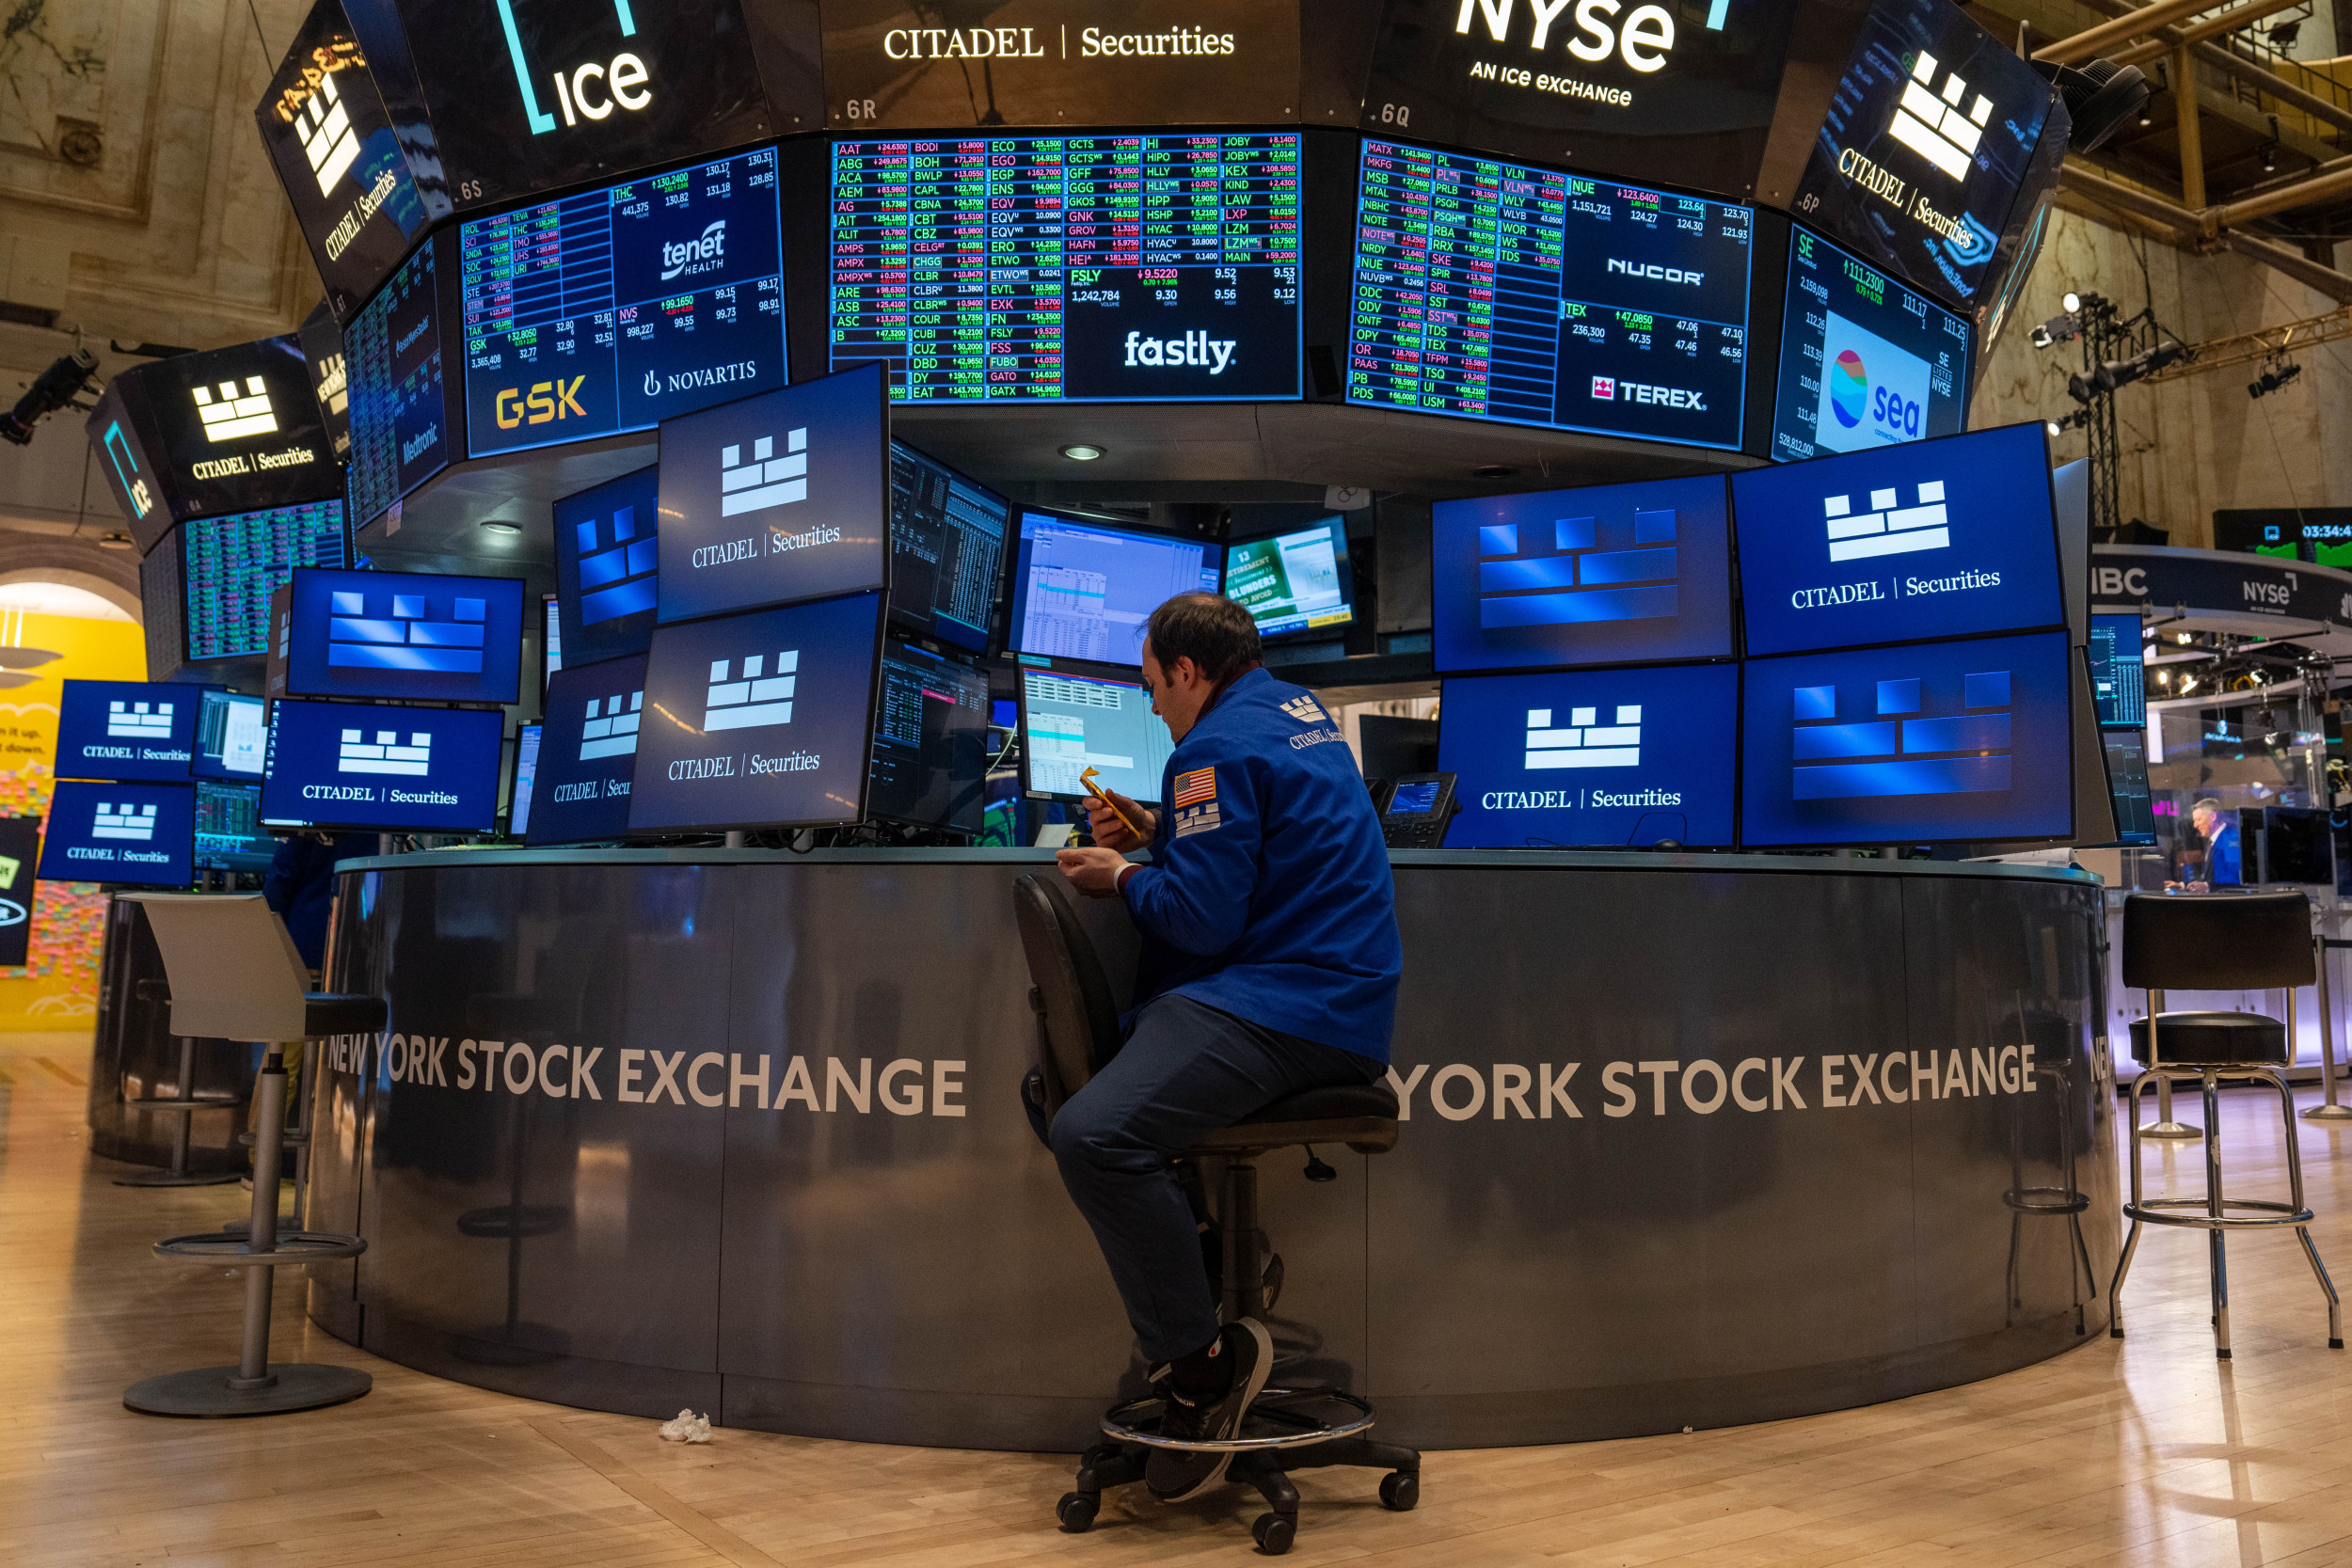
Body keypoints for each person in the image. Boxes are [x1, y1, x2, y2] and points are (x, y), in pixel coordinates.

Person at [1051, 593, 1402, 1503]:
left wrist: (1124, 873)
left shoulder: (1210, 747)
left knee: (1092, 1131)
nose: (1155, 707)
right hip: (1317, 995)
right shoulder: (1294, 712)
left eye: (1153, 688)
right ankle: (1200, 1264)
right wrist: (1164, 833)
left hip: (1291, 1006)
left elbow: (1200, 921)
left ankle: (1199, 1367)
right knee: (1055, 1088)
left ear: (1186, 669)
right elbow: (1265, 856)